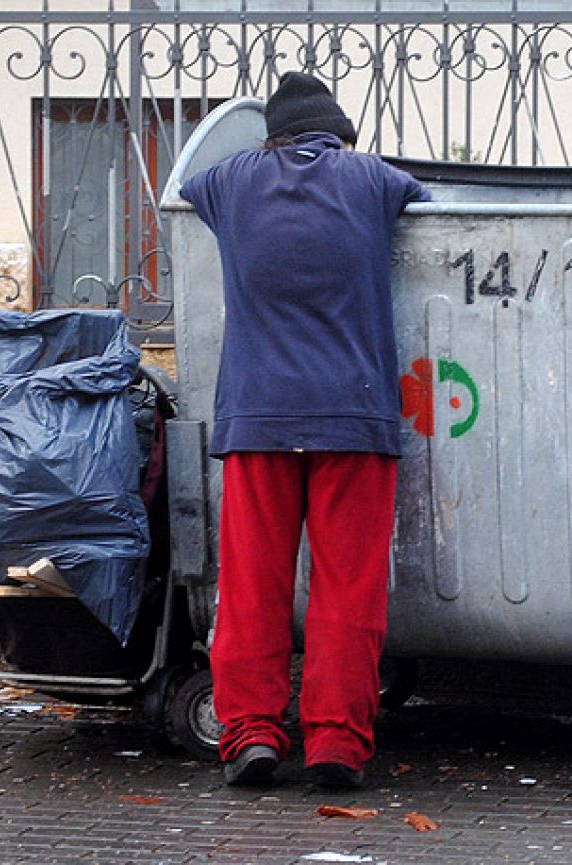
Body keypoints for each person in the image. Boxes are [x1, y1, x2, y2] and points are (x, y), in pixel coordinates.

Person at [178, 71, 430, 790]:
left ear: (274, 137)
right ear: (341, 135)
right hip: (354, 418)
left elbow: (184, 191)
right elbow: (440, 214)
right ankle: (335, 744)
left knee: (253, 586)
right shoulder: (374, 180)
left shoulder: (228, 183)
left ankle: (252, 733)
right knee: (347, 590)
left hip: (257, 417)